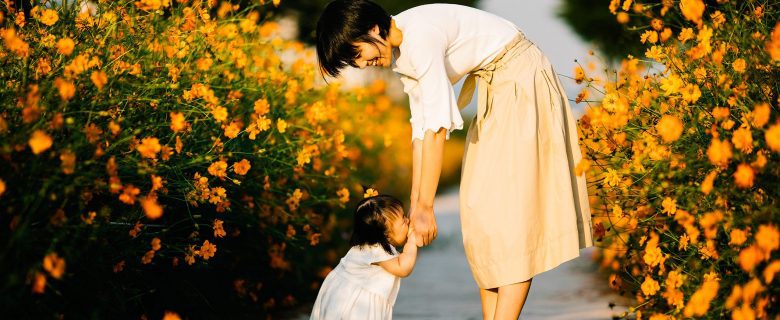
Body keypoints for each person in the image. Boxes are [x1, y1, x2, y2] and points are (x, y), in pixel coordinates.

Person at [316, 1, 594, 319]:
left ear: (372, 29)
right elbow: (421, 128)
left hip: (520, 79)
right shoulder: (403, 54)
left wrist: (426, 207)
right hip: (496, 86)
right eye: (354, 63)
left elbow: (436, 128)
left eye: (357, 53)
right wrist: (417, 203)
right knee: (479, 215)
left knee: (510, 222)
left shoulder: (418, 37)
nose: (363, 64)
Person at [310, 195, 418, 320]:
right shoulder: (374, 249)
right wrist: (413, 240)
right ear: (386, 234)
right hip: (353, 302)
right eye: (404, 220)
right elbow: (403, 268)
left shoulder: (371, 247)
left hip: (349, 295)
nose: (408, 221)